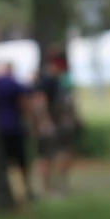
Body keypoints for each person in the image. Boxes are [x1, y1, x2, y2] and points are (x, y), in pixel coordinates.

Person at [0, 58, 35, 202]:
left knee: (1, 161)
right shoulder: (12, 83)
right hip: (14, 127)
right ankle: (27, 189)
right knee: (21, 161)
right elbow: (28, 93)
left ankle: (2, 189)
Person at [36, 49, 81, 195]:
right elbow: (41, 102)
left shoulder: (60, 80)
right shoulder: (47, 81)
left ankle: (58, 184)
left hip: (61, 123)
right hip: (52, 124)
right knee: (48, 156)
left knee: (63, 153)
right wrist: (45, 122)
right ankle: (48, 186)